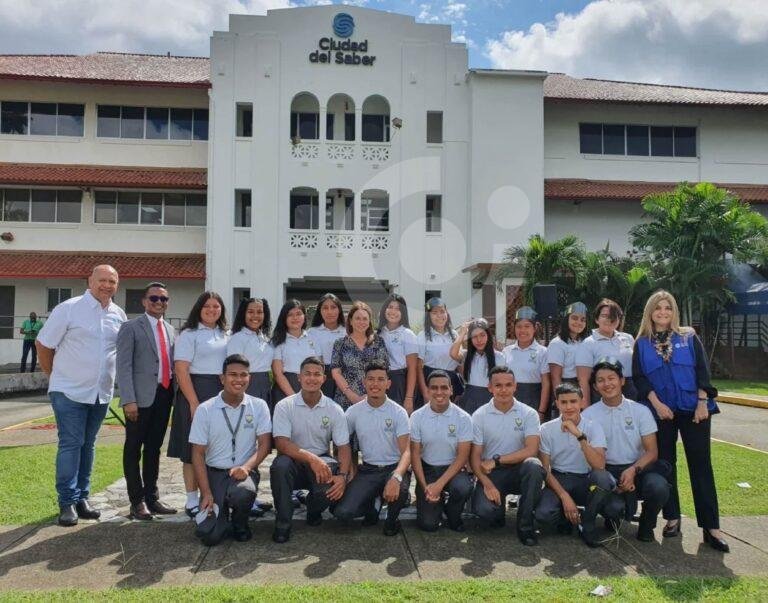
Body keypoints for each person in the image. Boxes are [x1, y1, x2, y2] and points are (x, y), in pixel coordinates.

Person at [631, 290, 728, 552]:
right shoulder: (641, 343)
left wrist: (701, 402)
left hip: (694, 410)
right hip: (662, 412)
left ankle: (711, 527)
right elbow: (640, 379)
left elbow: (702, 371)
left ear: (674, 312)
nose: (663, 313)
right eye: (658, 308)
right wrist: (657, 404)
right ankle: (672, 517)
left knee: (701, 466)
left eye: (668, 308)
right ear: (649, 312)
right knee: (666, 465)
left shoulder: (688, 336)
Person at [35, 265, 126, 526]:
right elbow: (43, 344)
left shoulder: (118, 314)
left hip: (100, 394)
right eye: (102, 280)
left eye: (112, 281)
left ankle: (82, 498)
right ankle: (66, 501)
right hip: (69, 392)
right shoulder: (69, 308)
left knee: (89, 445)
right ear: (90, 281)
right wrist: (54, 377)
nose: (107, 285)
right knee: (71, 444)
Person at [583, 357, 671, 545]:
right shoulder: (588, 415)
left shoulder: (640, 411)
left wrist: (632, 471)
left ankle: (647, 526)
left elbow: (652, 452)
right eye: (600, 380)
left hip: (637, 468)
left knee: (659, 487)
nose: (607, 384)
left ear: (622, 380)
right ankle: (612, 515)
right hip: (606, 471)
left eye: (612, 378)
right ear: (595, 387)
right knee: (614, 509)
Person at [189, 354, 272, 545]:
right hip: (215, 474)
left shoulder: (259, 406)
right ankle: (221, 514)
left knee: (242, 493)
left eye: (244, 375)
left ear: (249, 378)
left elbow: (265, 445)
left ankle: (240, 523)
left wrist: (247, 467)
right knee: (210, 538)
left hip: (243, 473)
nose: (239, 379)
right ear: (222, 378)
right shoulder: (206, 409)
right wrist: (206, 491)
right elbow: (198, 453)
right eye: (233, 374)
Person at [270, 357, 352, 543]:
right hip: (292, 460)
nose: (312, 378)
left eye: (317, 374)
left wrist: (343, 475)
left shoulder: (334, 409)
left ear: (324, 378)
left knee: (331, 486)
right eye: (307, 374)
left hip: (322, 460)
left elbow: (343, 447)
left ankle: (313, 511)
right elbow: (282, 443)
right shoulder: (285, 406)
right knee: (279, 466)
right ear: (299, 377)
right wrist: (311, 459)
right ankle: (283, 523)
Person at [116, 282, 177, 520]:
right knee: (133, 449)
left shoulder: (171, 330)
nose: (159, 303)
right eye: (154, 298)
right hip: (139, 399)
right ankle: (137, 501)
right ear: (144, 301)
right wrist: (128, 399)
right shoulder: (131, 327)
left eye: (164, 299)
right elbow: (123, 366)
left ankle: (152, 497)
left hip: (164, 395)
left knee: (153, 449)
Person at [167, 291, 229, 518]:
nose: (212, 310)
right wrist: (194, 402)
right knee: (192, 448)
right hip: (194, 391)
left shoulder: (226, 334)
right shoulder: (189, 334)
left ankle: (212, 493)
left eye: (216, 307)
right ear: (198, 309)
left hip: (221, 392)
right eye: (207, 306)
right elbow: (181, 369)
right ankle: (191, 499)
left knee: (217, 446)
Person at [333, 360, 411, 536]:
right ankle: (374, 501)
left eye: (380, 379)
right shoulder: (353, 412)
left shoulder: (398, 412)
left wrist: (397, 477)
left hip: (394, 468)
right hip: (368, 469)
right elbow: (341, 444)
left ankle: (392, 520)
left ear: (388, 383)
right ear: (364, 382)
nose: (375, 384)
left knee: (400, 491)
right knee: (342, 513)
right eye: (371, 379)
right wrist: (348, 472)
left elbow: (407, 451)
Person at [470, 365, 546, 546]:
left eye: (508, 385)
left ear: (515, 386)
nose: (503, 390)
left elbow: (531, 449)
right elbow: (474, 457)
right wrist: (487, 484)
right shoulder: (479, 415)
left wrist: (497, 460)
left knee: (534, 465)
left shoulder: (529, 413)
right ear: (490, 387)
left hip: (519, 470)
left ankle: (525, 525)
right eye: (498, 385)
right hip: (491, 475)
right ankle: (498, 512)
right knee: (485, 512)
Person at [536, 383, 615, 548]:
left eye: (573, 401)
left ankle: (588, 522)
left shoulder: (593, 426)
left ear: (581, 402)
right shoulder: (546, 429)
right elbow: (545, 469)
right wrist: (564, 497)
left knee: (611, 500)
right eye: (563, 402)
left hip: (586, 480)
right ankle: (567, 518)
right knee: (543, 515)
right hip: (559, 479)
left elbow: (599, 465)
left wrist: (579, 435)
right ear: (557, 403)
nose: (569, 406)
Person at [410, 370, 473, 532]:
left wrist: (439, 485)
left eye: (444, 388)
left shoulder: (463, 418)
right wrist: (425, 487)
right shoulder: (417, 417)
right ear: (428, 390)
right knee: (428, 525)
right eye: (434, 388)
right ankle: (433, 504)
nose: (439, 392)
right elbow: (415, 455)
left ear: (451, 390)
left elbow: (462, 456)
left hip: (453, 468)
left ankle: (452, 513)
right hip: (428, 469)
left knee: (463, 487)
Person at [330, 301, 389, 410]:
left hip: (374, 399)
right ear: (351, 321)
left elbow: (384, 371)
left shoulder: (378, 342)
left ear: (369, 321)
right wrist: (353, 396)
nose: (361, 322)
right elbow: (336, 373)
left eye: (365, 319)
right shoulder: (340, 343)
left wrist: (372, 395)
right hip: (345, 400)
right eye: (357, 318)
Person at [576, 299, 636, 403]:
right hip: (603, 391)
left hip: (630, 392)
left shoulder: (628, 338)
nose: (609, 320)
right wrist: (586, 408)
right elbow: (583, 380)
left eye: (613, 316)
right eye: (604, 316)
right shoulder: (588, 343)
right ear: (596, 319)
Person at [502, 307, 551, 419]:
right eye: (519, 326)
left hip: (534, 400)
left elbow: (546, 384)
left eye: (527, 326)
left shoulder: (542, 352)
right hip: (510, 401)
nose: (522, 330)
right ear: (514, 328)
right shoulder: (506, 351)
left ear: (534, 328)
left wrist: (541, 411)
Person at [449, 318, 505, 415]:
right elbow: (453, 353)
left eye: (482, 335)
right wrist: (462, 333)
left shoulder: (499, 357)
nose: (479, 340)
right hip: (469, 399)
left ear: (488, 335)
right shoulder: (466, 355)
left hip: (490, 400)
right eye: (474, 336)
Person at [415, 297, 463, 407]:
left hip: (451, 382)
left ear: (447, 313)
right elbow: (418, 366)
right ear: (429, 316)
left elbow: (459, 362)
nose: (439, 316)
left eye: (442, 312)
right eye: (434, 313)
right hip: (430, 380)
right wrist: (425, 392)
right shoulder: (423, 336)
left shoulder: (454, 334)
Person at [377, 293, 418, 414]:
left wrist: (409, 398)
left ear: (403, 312)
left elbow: (412, 369)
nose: (393, 311)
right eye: (390, 307)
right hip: (379, 380)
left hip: (399, 382)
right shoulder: (378, 333)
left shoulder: (408, 334)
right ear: (385, 309)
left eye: (398, 308)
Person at [227, 297, 273, 402]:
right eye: (250, 312)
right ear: (244, 314)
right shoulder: (238, 338)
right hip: (246, 385)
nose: (255, 316)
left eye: (260, 312)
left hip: (265, 385)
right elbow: (233, 367)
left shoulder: (265, 338)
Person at [271, 300, 316, 405]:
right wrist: (294, 397)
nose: (295, 318)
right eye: (290, 315)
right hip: (285, 389)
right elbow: (278, 374)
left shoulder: (313, 338)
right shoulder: (277, 341)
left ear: (304, 316)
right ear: (284, 318)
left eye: (298, 314)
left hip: (310, 387)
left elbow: (319, 367)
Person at [547, 302, 590, 404]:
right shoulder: (557, 343)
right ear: (566, 319)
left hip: (585, 387)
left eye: (583, 320)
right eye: (574, 318)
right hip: (566, 388)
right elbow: (555, 377)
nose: (579, 322)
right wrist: (561, 400)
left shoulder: (586, 342)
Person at [307, 293, 346, 399]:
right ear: (320, 311)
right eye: (325, 308)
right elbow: (316, 358)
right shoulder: (312, 332)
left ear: (339, 310)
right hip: (322, 375)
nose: (329, 312)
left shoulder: (347, 332)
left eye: (333, 307)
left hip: (345, 376)